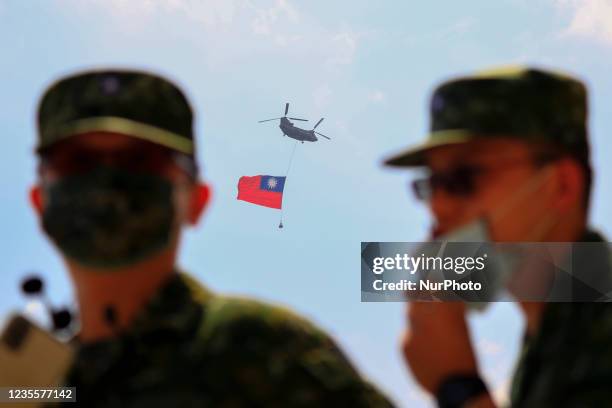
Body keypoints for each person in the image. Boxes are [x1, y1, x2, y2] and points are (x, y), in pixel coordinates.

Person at [31, 69, 393, 407]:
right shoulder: (30, 383)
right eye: (77, 162)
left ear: (197, 201)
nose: (107, 185)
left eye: (141, 162)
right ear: (37, 201)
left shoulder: (260, 348)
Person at [384, 66, 611, 407]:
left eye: (465, 178)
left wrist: (458, 386)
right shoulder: (553, 341)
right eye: (433, 184)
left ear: (561, 186)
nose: (439, 207)